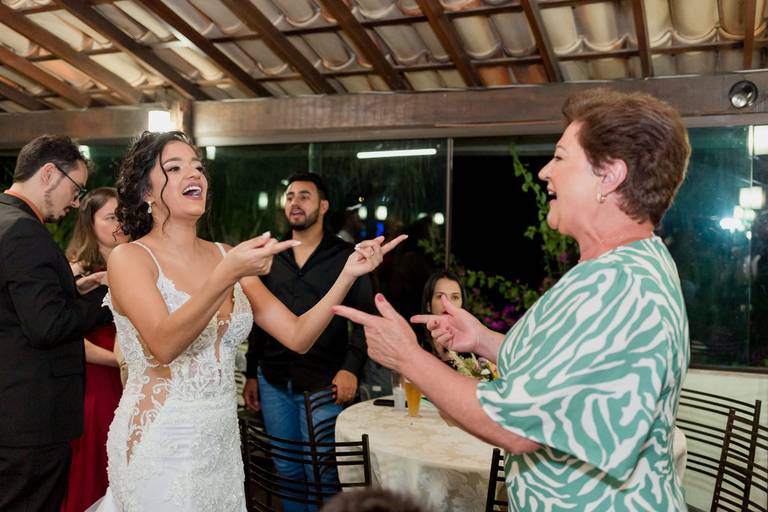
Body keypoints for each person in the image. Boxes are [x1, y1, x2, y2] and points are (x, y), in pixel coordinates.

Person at [334, 88, 691, 511]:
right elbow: (564, 373)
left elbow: (516, 425)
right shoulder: (624, 265)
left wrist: (407, 357)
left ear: (609, 176)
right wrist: (482, 339)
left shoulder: (618, 284)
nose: (545, 172)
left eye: (560, 157)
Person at [91, 132, 404, 512]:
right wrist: (226, 275)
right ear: (146, 192)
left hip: (221, 447)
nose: (194, 174)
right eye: (174, 167)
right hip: (160, 442)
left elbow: (298, 335)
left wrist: (347, 275)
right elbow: (164, 344)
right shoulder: (130, 258)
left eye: (198, 166)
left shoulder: (226, 255)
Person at [242, 172, 375, 511]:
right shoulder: (271, 256)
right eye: (289, 196)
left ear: (323, 206)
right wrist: (252, 373)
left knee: (324, 472)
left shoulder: (345, 257)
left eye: (304, 196)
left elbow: (364, 320)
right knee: (286, 470)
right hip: (274, 379)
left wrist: (350, 368)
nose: (295, 203)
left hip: (324, 381)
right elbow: (258, 319)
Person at [0, 135, 113, 511]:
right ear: (49, 174)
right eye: (76, 189)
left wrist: (73, 291)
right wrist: (109, 299)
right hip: (29, 419)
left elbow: (14, 305)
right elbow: (47, 326)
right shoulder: (24, 230)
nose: (76, 202)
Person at [61, 187, 129, 512]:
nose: (120, 224)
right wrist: (119, 360)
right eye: (111, 217)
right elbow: (65, 336)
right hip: (95, 378)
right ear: (90, 222)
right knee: (96, 458)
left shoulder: (137, 264)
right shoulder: (76, 271)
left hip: (133, 378)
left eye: (123, 216)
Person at [418, 270, 467, 362]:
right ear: (428, 306)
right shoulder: (416, 346)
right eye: (440, 296)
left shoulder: (475, 351)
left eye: (455, 297)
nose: (447, 303)